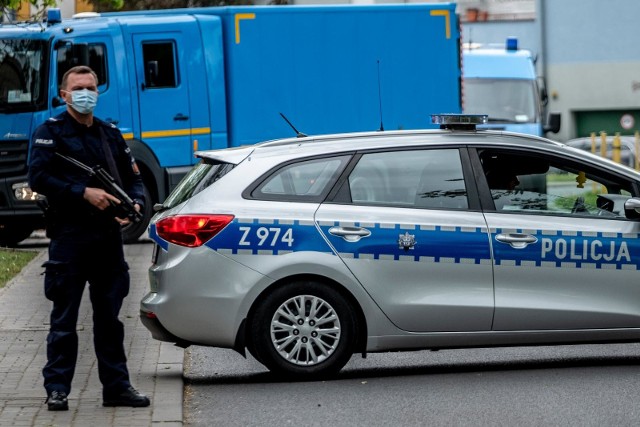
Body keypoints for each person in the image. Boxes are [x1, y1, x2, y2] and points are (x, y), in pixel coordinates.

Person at [28, 65, 150, 411]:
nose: (86, 94)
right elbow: (38, 178)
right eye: (79, 88)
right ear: (64, 94)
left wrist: (136, 203)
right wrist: (82, 192)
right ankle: (57, 388)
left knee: (109, 320)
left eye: (92, 87)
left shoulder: (109, 134)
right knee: (64, 320)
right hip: (70, 237)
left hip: (108, 239)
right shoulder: (49, 133)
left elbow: (133, 178)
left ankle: (116, 387)